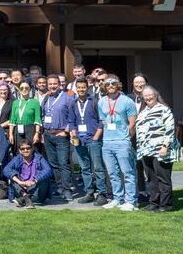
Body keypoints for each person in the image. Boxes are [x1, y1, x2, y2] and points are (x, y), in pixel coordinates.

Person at [97, 76, 138, 211]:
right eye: (107, 84)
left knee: (127, 172)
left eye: (113, 83)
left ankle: (131, 201)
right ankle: (117, 198)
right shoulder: (102, 102)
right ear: (104, 86)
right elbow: (104, 122)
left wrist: (126, 139)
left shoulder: (127, 101)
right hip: (107, 142)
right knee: (113, 173)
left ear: (118, 84)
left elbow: (132, 124)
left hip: (122, 142)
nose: (110, 85)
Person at [134, 85, 179, 212]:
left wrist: (165, 146)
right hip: (146, 150)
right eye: (145, 95)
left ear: (155, 95)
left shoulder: (164, 110)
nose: (148, 97)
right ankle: (154, 203)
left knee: (163, 178)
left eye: (150, 95)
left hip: (161, 150)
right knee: (151, 179)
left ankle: (166, 205)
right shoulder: (143, 113)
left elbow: (170, 129)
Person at [68, 78, 107, 206]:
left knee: (98, 167)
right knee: (84, 168)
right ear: (76, 89)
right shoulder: (73, 103)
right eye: (78, 87)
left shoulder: (95, 102)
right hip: (79, 140)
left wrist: (97, 135)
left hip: (93, 139)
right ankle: (89, 192)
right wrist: (73, 134)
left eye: (83, 87)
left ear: (87, 88)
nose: (81, 90)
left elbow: (102, 120)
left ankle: (102, 194)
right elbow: (71, 122)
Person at [40, 74, 75, 200]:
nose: (53, 86)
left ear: (59, 84)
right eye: (50, 84)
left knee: (63, 163)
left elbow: (73, 116)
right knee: (53, 163)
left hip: (61, 135)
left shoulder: (68, 98)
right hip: (48, 135)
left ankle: (67, 189)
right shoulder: (46, 98)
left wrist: (66, 131)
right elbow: (43, 115)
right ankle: (59, 187)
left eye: (55, 84)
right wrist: (43, 133)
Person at [4, 139, 53, 208]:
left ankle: (23, 200)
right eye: (23, 149)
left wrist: (34, 181)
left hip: (36, 190)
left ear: (32, 148)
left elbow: (49, 170)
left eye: (28, 148)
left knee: (44, 178)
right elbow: (6, 170)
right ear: (20, 150)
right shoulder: (17, 158)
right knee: (12, 176)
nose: (25, 150)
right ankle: (25, 198)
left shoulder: (39, 158)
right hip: (21, 189)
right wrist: (20, 182)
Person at [8, 82, 41, 153]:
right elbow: (12, 120)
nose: (24, 90)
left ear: (30, 89)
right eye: (22, 88)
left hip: (30, 129)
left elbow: (37, 119)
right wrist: (11, 134)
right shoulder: (15, 102)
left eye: (26, 88)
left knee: (30, 150)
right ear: (19, 90)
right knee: (19, 150)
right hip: (18, 129)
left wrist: (37, 133)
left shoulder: (35, 102)